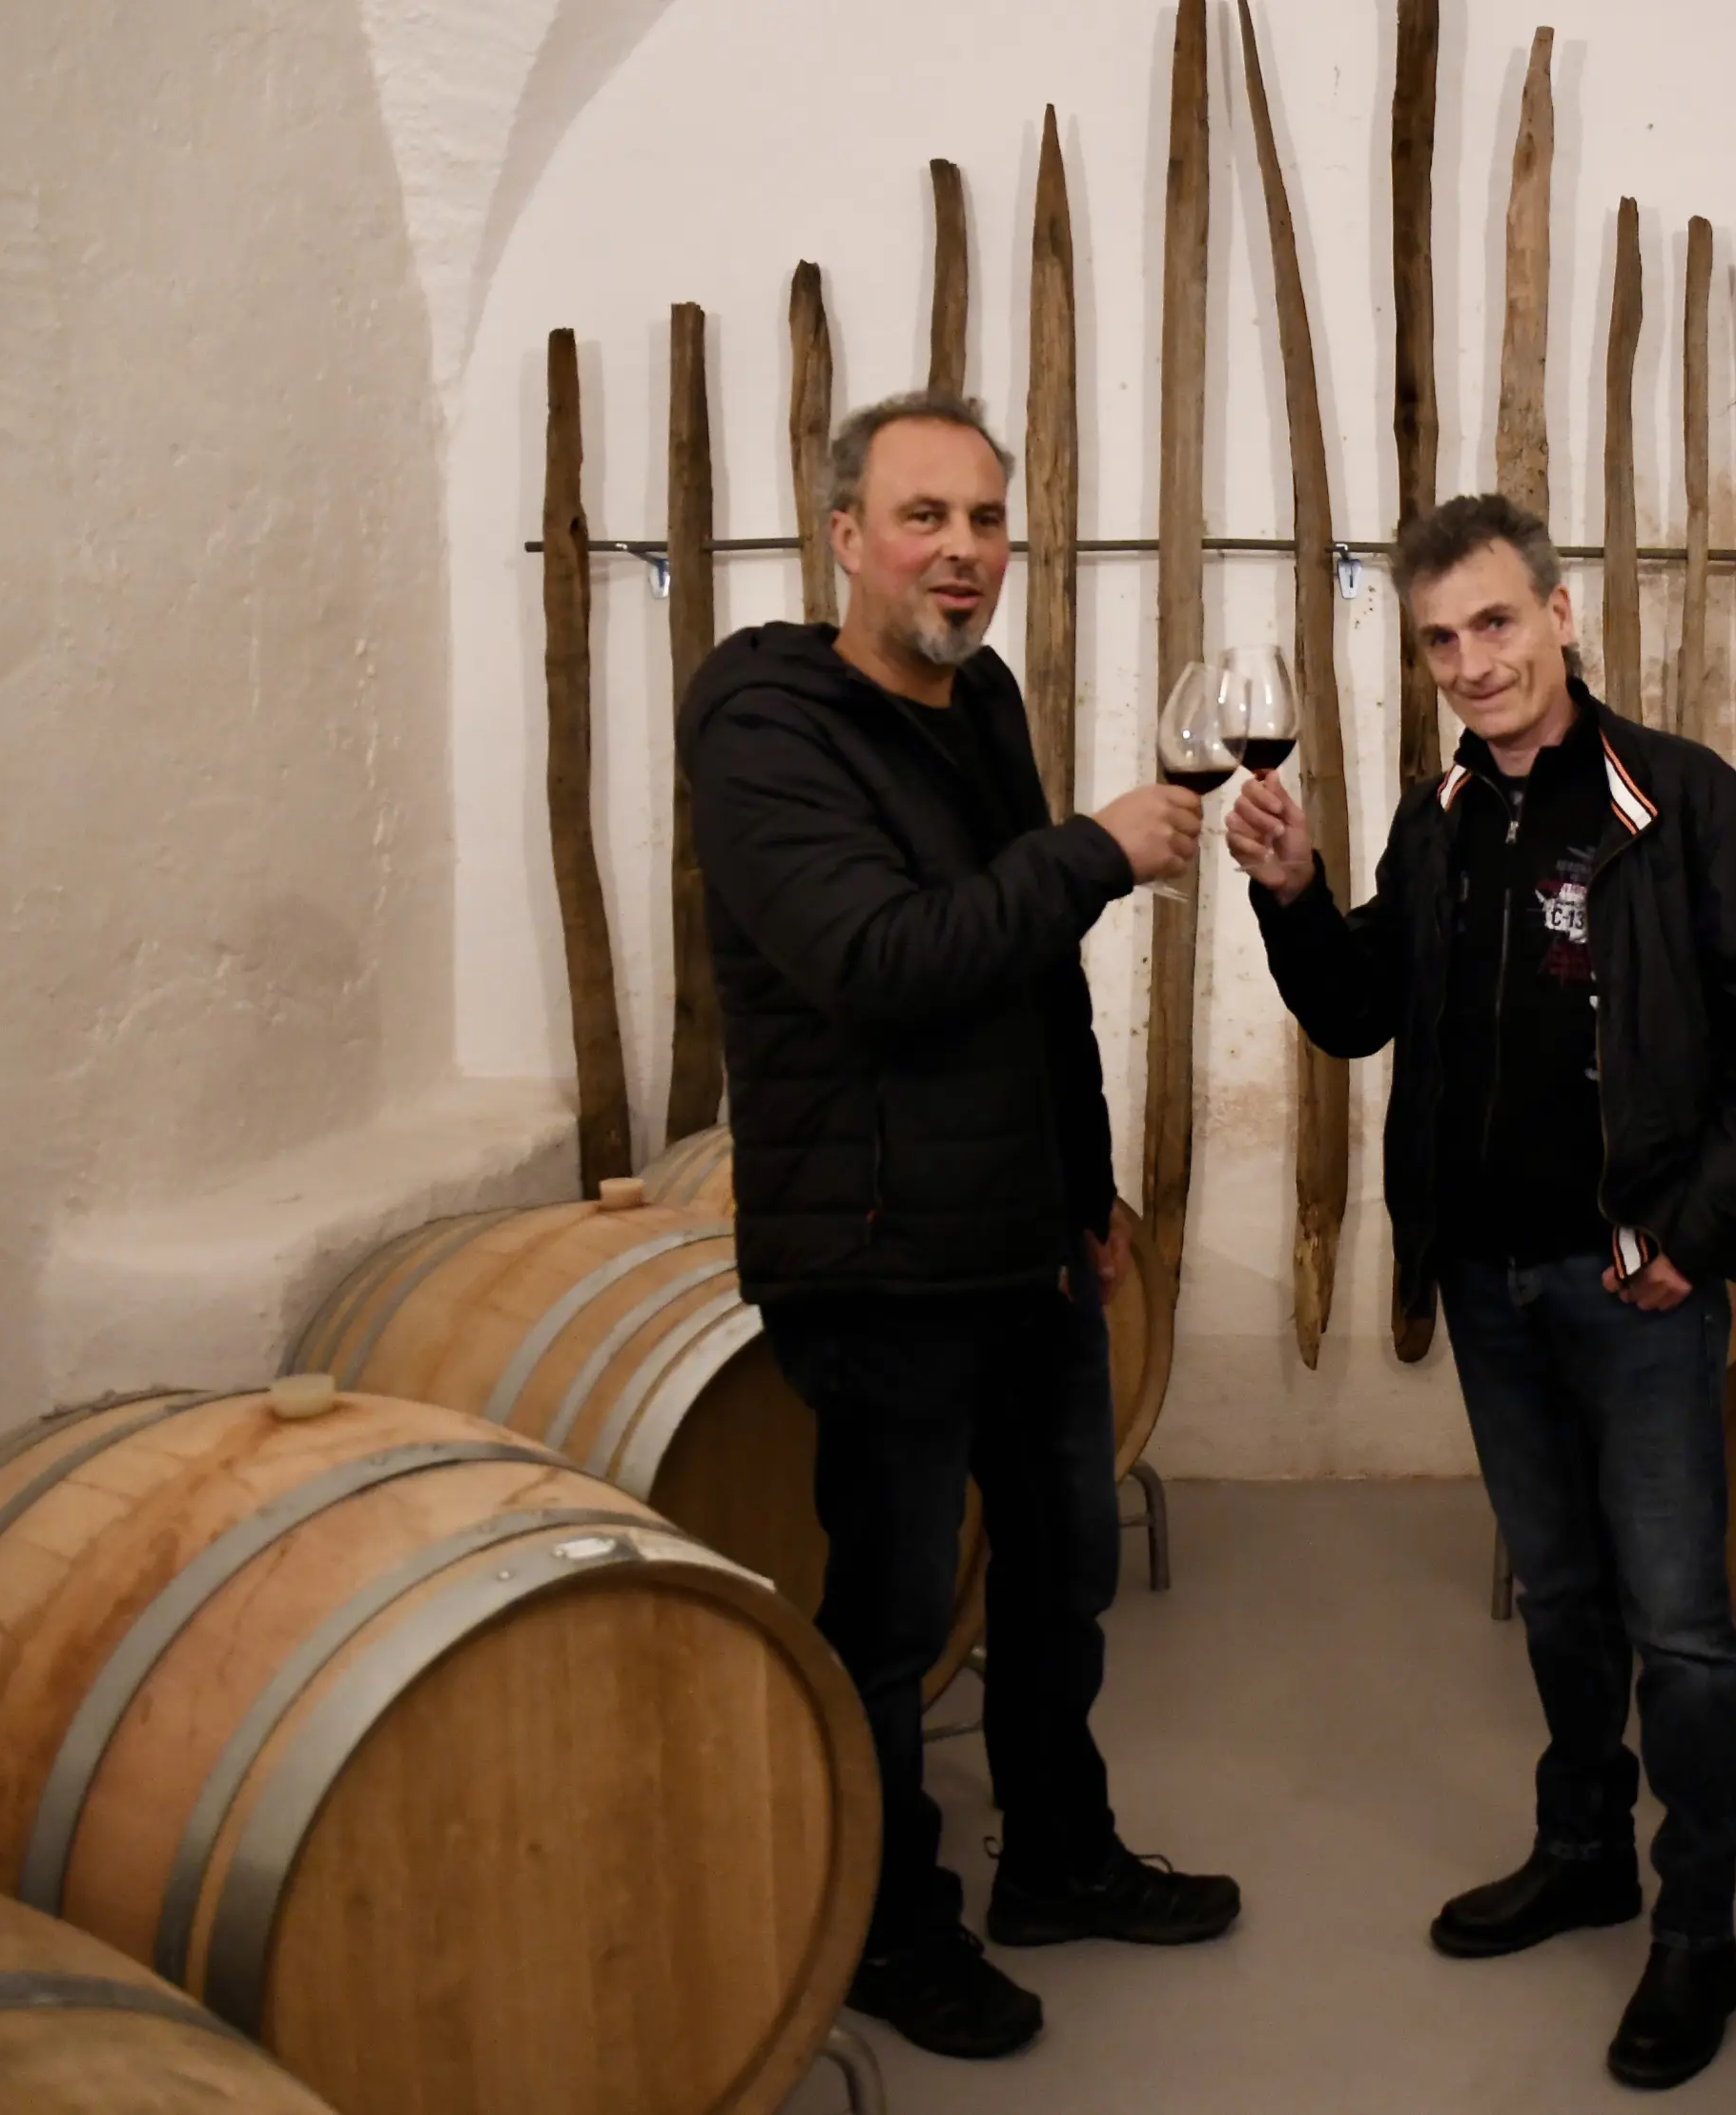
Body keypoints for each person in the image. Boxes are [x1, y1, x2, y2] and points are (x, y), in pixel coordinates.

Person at [1225, 493, 1736, 2090]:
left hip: (1632, 1287)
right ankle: (1582, 1850)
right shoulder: (1440, 823)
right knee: (1560, 1597)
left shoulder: (1679, 804)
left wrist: (1696, 1235)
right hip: (1489, 1281)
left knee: (1685, 1631)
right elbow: (1362, 1015)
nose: (1472, 661)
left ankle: (1694, 1926)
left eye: (1496, 623)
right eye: (1441, 639)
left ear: (1560, 616)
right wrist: (1290, 894)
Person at [680, 391, 1239, 2063]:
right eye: (927, 517)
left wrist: (1081, 1186)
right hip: (873, 1251)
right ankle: (883, 1924)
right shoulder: (763, 721)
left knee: (1062, 1577)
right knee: (895, 1615)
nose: (966, 552)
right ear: (844, 536)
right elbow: (880, 961)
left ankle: (1057, 1857)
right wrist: (1092, 848)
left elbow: (1024, 981)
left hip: (1018, 1244)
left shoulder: (979, 695)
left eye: (990, 520)